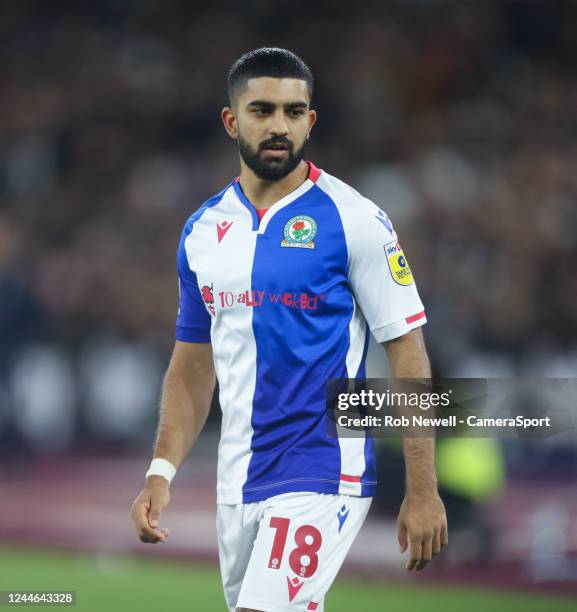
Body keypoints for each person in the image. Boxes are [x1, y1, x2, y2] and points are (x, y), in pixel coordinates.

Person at [130, 47, 447, 612]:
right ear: (232, 121)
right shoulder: (203, 231)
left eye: (294, 112)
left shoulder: (356, 220)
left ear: (310, 120)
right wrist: (161, 470)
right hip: (239, 476)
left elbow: (408, 353)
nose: (279, 125)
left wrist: (423, 488)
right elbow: (192, 365)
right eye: (262, 110)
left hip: (324, 466)